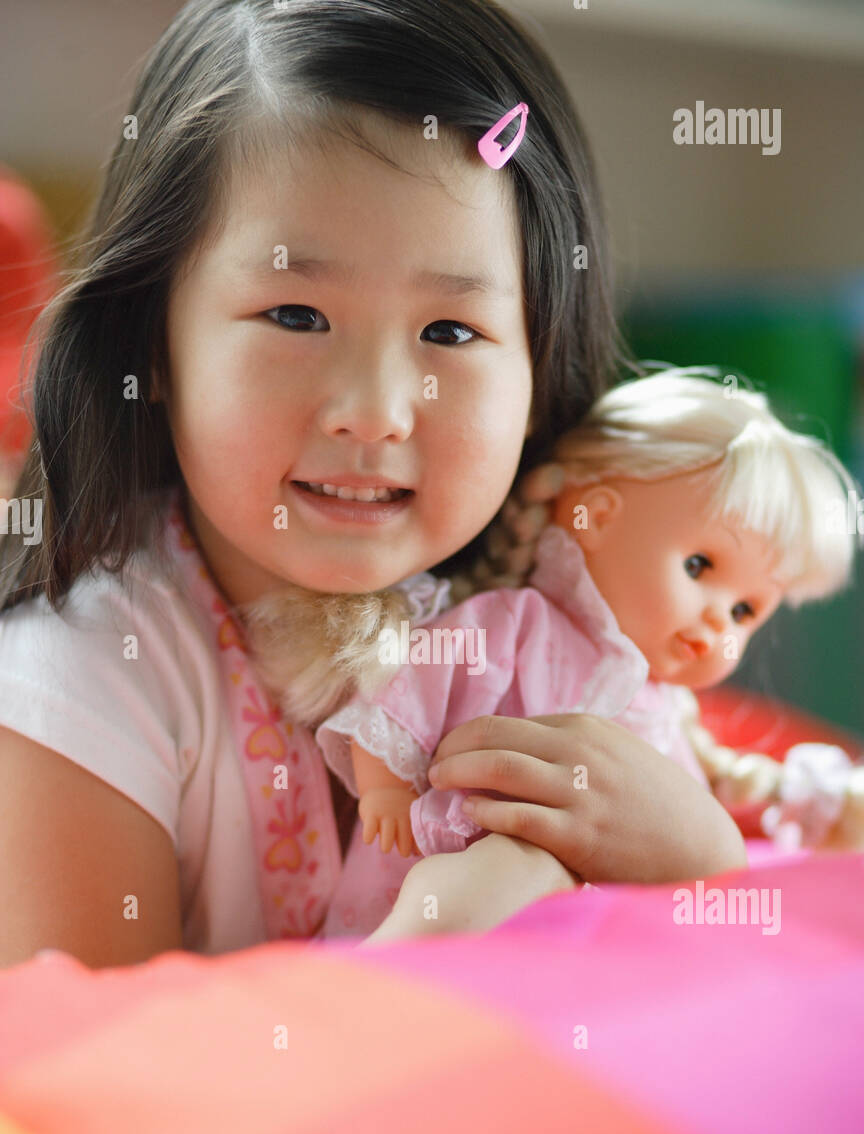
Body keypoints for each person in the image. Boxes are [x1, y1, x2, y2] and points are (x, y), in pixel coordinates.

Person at [0, 0, 747, 969]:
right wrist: (431, 945)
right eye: (296, 315)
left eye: (449, 333)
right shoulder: (86, 677)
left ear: (538, 374)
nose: (375, 411)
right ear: (155, 341)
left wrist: (702, 861)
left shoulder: (545, 639)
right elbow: (77, 1098)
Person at [314, 367, 862, 942]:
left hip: (582, 930)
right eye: (699, 567)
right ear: (597, 516)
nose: (718, 619)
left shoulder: (667, 712)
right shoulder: (516, 626)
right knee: (496, 875)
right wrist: (384, 787)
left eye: (746, 611)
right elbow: (405, 692)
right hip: (449, 882)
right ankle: (384, 967)